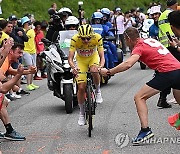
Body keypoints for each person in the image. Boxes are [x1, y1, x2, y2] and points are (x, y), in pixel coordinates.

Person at [100, 27, 180, 144]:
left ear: (128, 38)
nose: (125, 44)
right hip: (178, 69)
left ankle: (145, 130)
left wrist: (108, 72)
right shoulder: (149, 40)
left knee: (139, 97)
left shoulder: (139, 47)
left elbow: (128, 64)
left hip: (167, 72)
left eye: (125, 41)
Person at [68, 24, 105, 126]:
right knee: (81, 87)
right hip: (81, 61)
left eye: (88, 38)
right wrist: (73, 68)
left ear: (92, 36)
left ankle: (98, 90)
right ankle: (81, 113)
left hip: (93, 58)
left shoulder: (97, 37)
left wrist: (100, 66)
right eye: (83, 39)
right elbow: (70, 58)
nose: (86, 41)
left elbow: (102, 56)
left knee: (94, 70)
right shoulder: (75, 39)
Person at [0, 40, 34, 141]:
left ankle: (9, 130)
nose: (21, 55)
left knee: (3, 102)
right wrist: (14, 84)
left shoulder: (6, 62)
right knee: (2, 101)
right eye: (19, 52)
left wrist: (29, 71)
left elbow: (13, 71)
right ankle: (9, 131)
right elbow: (3, 88)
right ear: (11, 51)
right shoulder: (4, 59)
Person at [157, 0, 179, 108]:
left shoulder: (162, 15)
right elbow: (170, 31)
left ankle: (163, 98)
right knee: (174, 72)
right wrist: (175, 42)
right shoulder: (170, 14)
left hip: (164, 47)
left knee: (168, 72)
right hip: (171, 46)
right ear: (175, 5)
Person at [21, 16, 39, 91]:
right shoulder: (22, 30)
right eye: (27, 23)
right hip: (26, 50)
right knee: (30, 67)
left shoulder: (32, 30)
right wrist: (26, 30)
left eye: (29, 22)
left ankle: (31, 83)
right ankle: (28, 84)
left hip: (33, 50)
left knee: (34, 67)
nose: (29, 24)